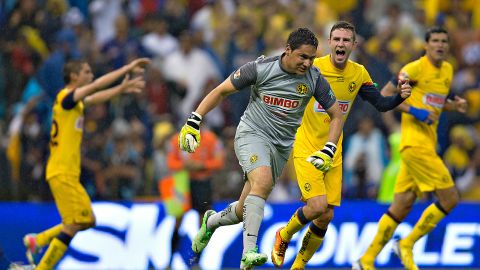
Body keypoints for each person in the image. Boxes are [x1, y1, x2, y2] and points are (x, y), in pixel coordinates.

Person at [178, 27, 345, 269]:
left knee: (241, 210)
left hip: (280, 146)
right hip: (252, 134)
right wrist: (195, 119)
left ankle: (211, 222)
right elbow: (221, 90)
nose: (307, 63)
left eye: (311, 58)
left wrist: (330, 147)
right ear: (287, 50)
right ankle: (249, 253)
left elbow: (337, 115)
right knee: (263, 181)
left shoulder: (314, 79)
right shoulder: (260, 68)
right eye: (302, 57)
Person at [270, 21, 411, 269]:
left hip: (333, 150)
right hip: (307, 146)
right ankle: (285, 234)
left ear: (354, 45)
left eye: (346, 40)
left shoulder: (359, 73)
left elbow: (380, 104)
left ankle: (298, 266)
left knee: (325, 216)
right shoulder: (312, 68)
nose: (341, 44)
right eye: (336, 39)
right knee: (316, 206)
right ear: (329, 42)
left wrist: (400, 96)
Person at [353, 26, 467, 270]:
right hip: (415, 145)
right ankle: (407, 243)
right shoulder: (414, 69)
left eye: (444, 41)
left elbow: (432, 103)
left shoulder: (447, 70)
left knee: (401, 206)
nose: (440, 45)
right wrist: (413, 110)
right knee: (450, 198)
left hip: (424, 146)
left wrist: (452, 106)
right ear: (426, 45)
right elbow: (385, 94)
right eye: (435, 41)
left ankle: (366, 259)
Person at [22, 57, 150, 269]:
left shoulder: (74, 104)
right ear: (74, 76)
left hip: (67, 173)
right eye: (87, 72)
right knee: (75, 223)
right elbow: (96, 86)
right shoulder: (65, 97)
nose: (91, 76)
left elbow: (97, 95)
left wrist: (121, 88)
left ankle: (39, 241)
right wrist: (126, 69)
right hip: (61, 172)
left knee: (87, 220)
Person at [166, 126, 225, 264]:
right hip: (182, 184)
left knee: (203, 224)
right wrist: (186, 165)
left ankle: (197, 261)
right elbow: (170, 162)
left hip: (202, 184)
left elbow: (219, 161)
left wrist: (202, 165)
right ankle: (170, 259)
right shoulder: (177, 139)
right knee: (177, 221)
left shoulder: (210, 139)